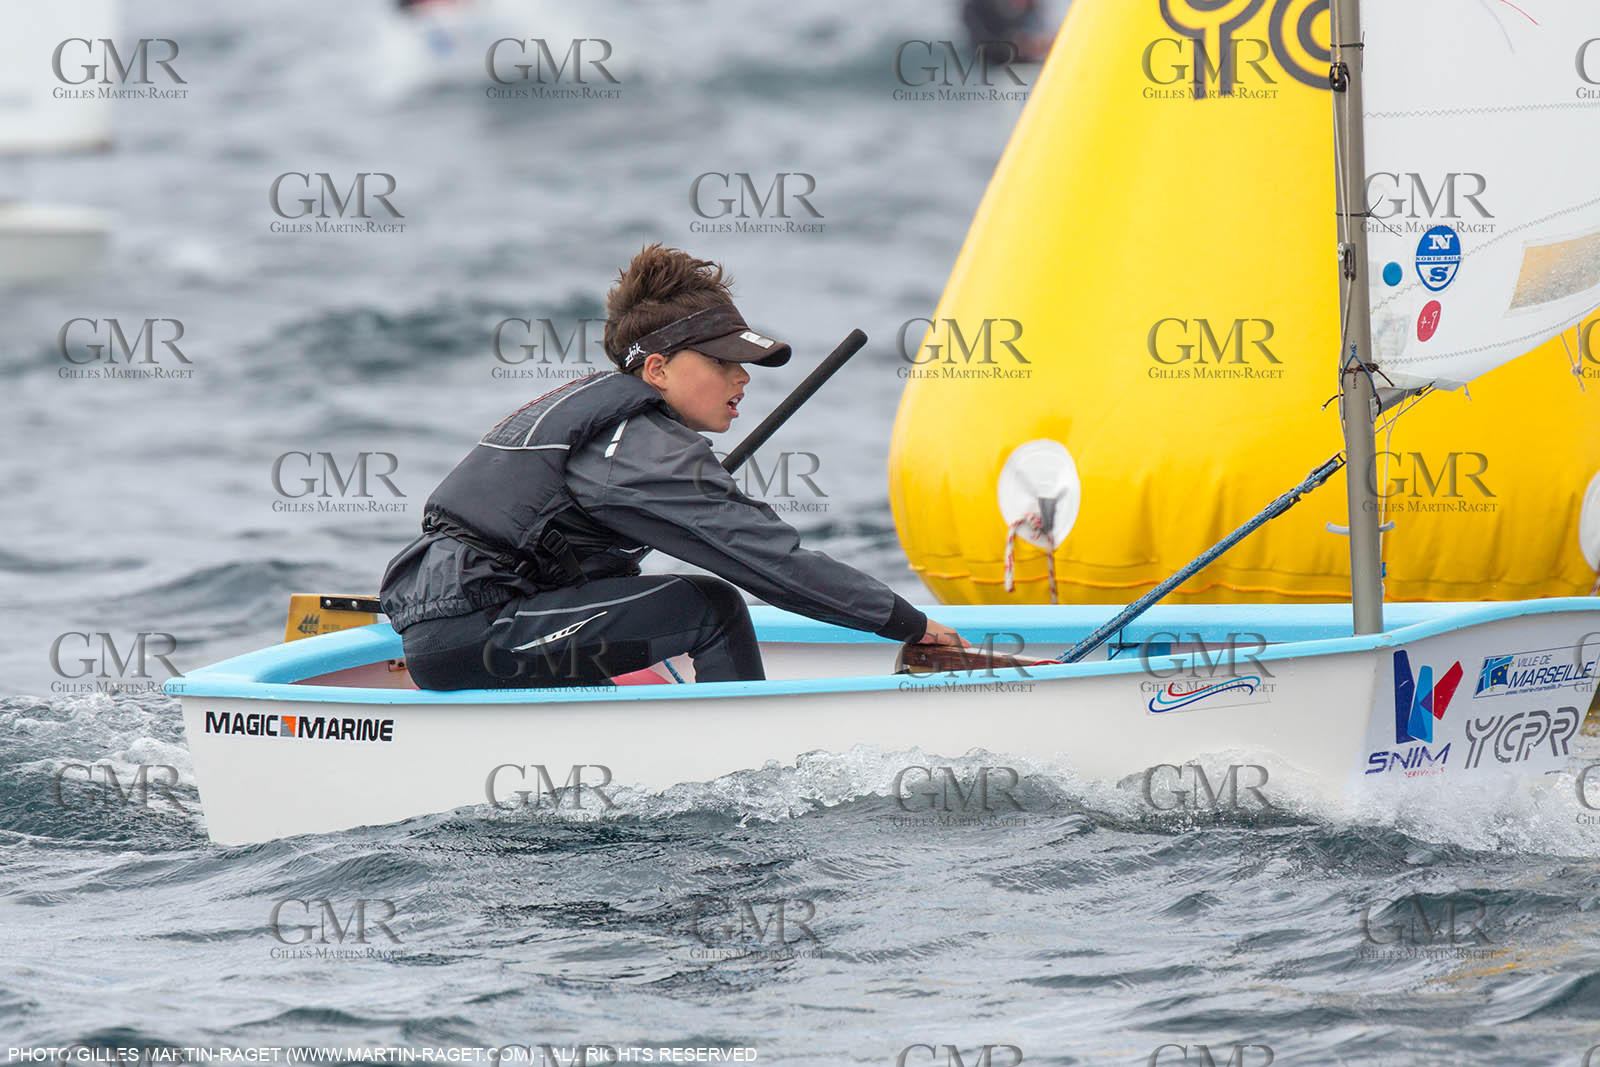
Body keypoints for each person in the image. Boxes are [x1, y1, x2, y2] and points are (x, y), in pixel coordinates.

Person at [379, 244, 962, 690]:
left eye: (745, 362)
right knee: (711, 607)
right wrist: (909, 624)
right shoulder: (636, 448)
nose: (743, 376)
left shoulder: (600, 421)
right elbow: (767, 560)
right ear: (657, 369)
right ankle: (751, 777)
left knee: (652, 600)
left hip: (460, 628)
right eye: (722, 361)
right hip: (482, 635)